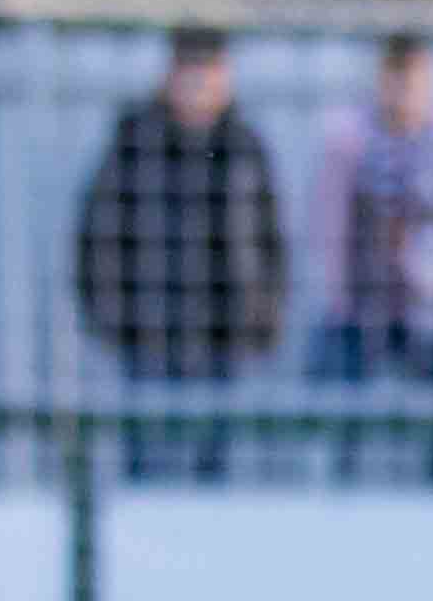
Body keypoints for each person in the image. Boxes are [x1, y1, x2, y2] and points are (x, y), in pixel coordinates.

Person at [72, 28, 288, 477]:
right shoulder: (135, 141)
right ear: (170, 76)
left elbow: (271, 240)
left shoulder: (244, 146)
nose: (199, 87)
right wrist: (113, 318)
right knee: (148, 469)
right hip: (150, 331)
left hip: (222, 336)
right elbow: (98, 235)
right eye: (190, 75)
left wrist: (263, 316)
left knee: (214, 471)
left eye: (208, 74)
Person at [304, 33, 433, 484]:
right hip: (362, 307)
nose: (405, 92)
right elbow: (329, 229)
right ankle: (335, 500)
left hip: (431, 306)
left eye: (416, 80)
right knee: (330, 385)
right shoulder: (352, 139)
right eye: (397, 79)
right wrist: (345, 298)